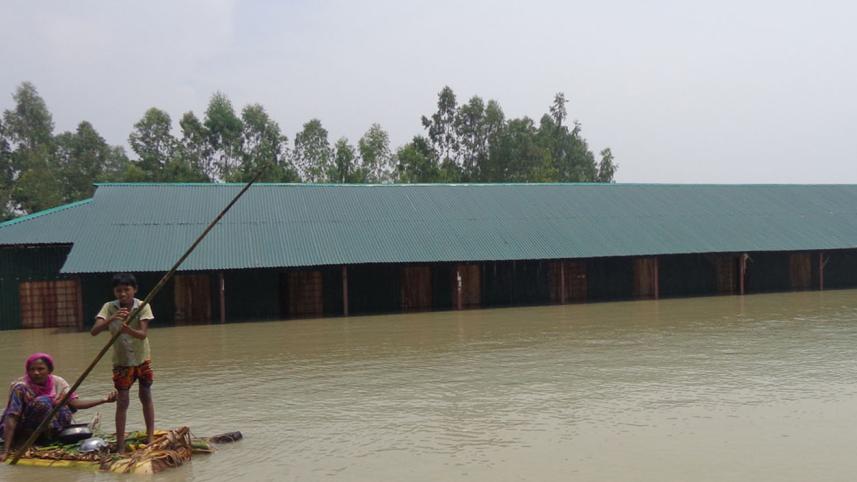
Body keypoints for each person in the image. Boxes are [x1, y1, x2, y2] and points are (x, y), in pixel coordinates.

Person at [0, 353, 116, 462]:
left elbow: (75, 404)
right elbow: (12, 417)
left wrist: (103, 400)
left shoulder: (58, 382)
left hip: (49, 429)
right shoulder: (20, 386)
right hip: (24, 430)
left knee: (62, 405)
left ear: (49, 370)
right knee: (44, 402)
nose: (36, 373)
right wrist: (6, 451)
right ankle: (24, 442)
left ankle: (50, 438)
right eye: (32, 369)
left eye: (41, 369)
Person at [90, 273, 155, 453]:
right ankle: (120, 445)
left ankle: (150, 437)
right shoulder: (109, 307)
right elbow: (94, 331)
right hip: (121, 362)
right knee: (122, 402)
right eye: (119, 290)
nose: (123, 294)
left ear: (135, 290)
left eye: (127, 290)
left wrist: (127, 329)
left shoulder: (143, 305)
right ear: (115, 292)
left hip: (142, 359)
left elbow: (142, 334)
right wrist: (113, 319)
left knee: (146, 396)